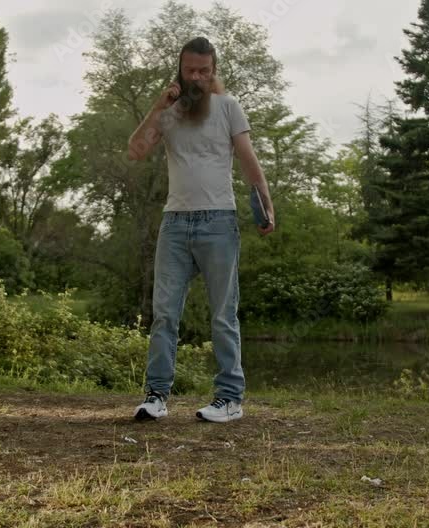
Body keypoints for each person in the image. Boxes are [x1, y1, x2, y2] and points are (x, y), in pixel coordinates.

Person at [126, 36, 275, 423]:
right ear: (180, 71)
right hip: (174, 223)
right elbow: (136, 150)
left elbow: (248, 160)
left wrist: (266, 203)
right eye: (190, 70)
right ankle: (156, 396)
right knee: (164, 314)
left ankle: (229, 399)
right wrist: (159, 105)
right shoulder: (171, 114)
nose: (197, 77)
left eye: (204, 72)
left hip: (219, 222)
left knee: (223, 314)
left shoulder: (228, 108)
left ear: (213, 73)